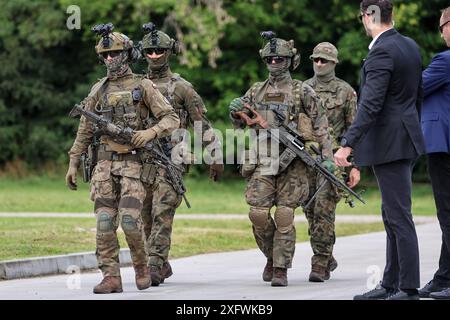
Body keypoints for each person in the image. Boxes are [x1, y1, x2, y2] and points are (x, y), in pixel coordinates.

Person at [65, 26, 180, 294]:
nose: (110, 59)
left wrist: (149, 132)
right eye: (105, 55)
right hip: (103, 166)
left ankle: (141, 266)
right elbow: (85, 129)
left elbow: (171, 118)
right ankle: (110, 276)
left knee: (129, 219)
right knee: (105, 222)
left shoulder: (144, 85)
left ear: (127, 54)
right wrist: (73, 162)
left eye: (115, 53)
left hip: (133, 165)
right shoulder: (99, 89)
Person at [334, 0, 426, 300]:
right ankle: (391, 283)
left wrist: (348, 143)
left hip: (391, 141)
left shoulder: (382, 51)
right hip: (405, 137)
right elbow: (417, 96)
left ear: (368, 17)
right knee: (391, 213)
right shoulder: (410, 45)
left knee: (399, 215)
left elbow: (370, 105)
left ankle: (408, 287)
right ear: (392, 15)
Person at [229, 31, 334, 287]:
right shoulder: (256, 90)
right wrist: (235, 113)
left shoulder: (302, 91)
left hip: (294, 164)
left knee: (285, 215)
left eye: (280, 58)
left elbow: (321, 125)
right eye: (270, 59)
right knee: (258, 214)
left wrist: (327, 156)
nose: (275, 63)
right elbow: (241, 122)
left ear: (290, 60)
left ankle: (280, 268)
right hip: (263, 161)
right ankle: (271, 256)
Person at [139, 23, 224, 286]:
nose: (154, 55)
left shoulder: (182, 88)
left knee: (162, 212)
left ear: (170, 52)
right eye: (149, 51)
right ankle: (161, 262)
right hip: (140, 161)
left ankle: (154, 265)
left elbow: (201, 124)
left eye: (159, 50)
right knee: (142, 216)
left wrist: (215, 154)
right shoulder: (135, 86)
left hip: (173, 158)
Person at [304, 42, 360, 282]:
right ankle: (327, 254)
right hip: (306, 158)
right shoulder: (303, 89)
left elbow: (354, 129)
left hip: (334, 161)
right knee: (309, 210)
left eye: (323, 60)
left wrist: (356, 165)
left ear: (333, 63)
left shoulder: (346, 91)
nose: (319, 63)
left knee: (324, 210)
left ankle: (319, 263)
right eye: (316, 59)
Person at [418, 7, 450, 300]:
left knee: (448, 213)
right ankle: (443, 277)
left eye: (443, 26)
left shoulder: (446, 60)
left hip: (444, 147)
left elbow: (416, 88)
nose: (441, 33)